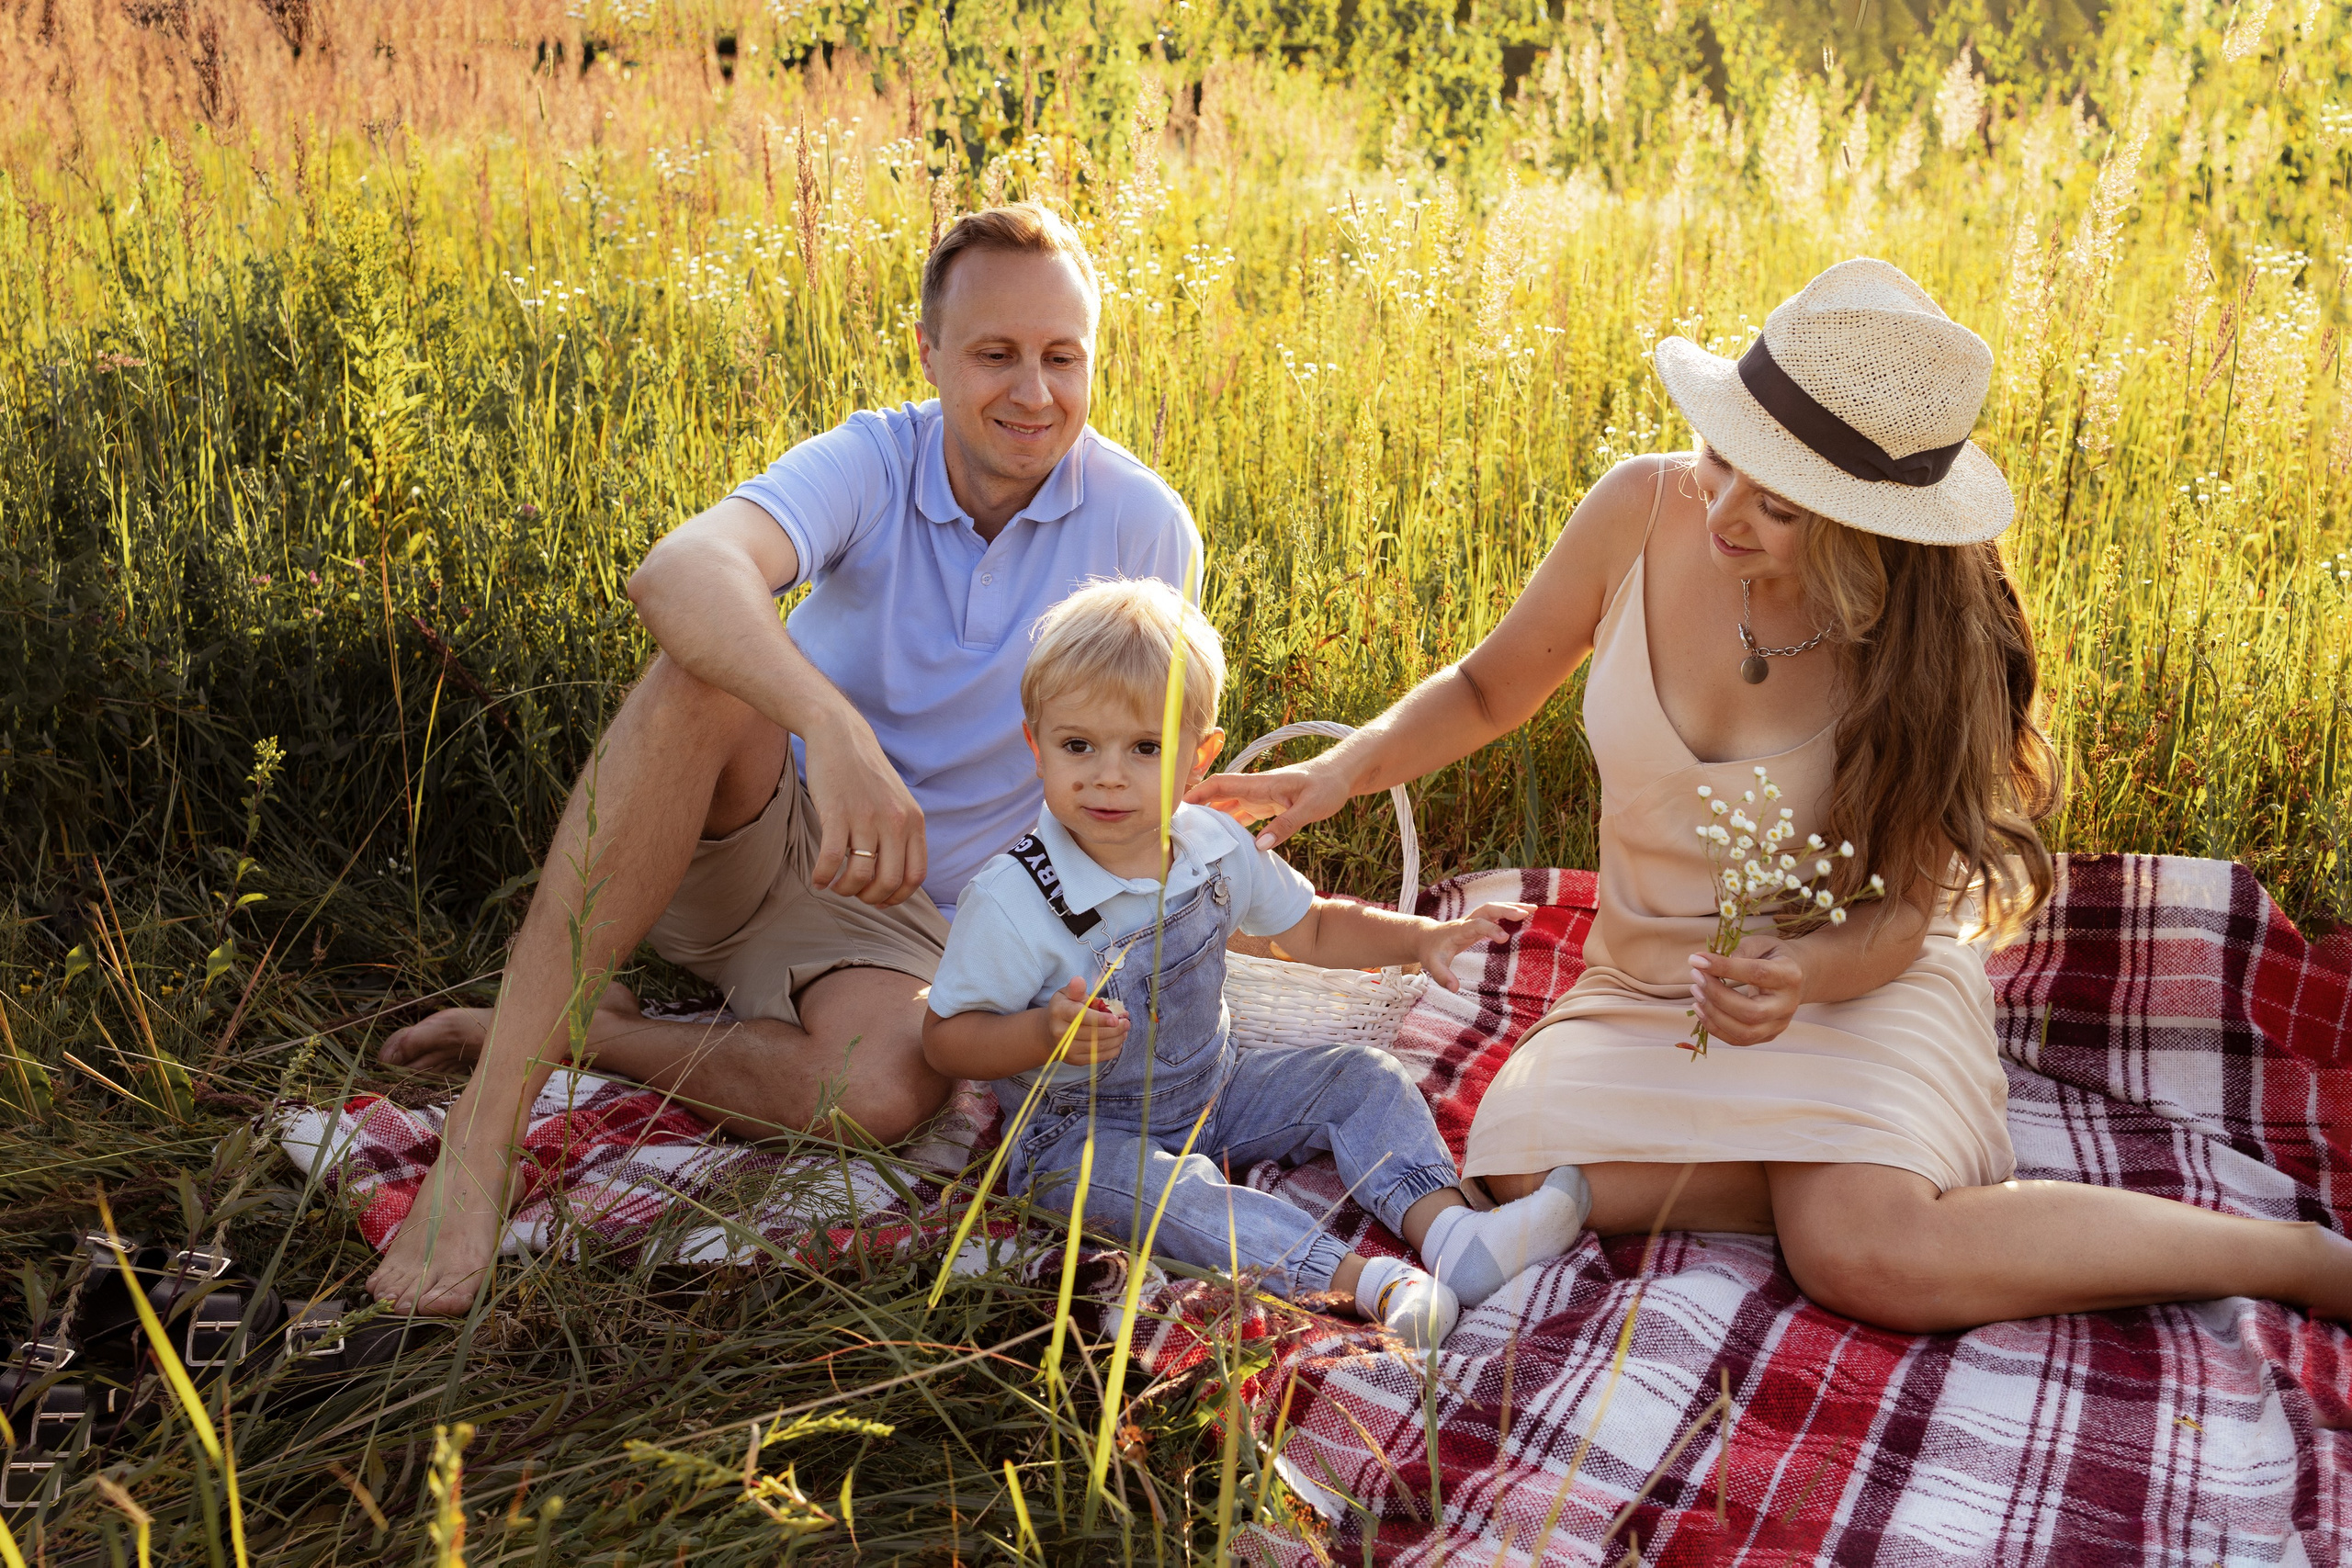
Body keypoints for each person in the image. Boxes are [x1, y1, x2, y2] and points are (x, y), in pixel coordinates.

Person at [1191, 258, 2352, 1333]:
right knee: (1513, 1171)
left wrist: (1798, 976)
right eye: (1719, 454)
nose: (1723, 510)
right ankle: (1833, 1173)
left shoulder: (1927, 639)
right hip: (1647, 980)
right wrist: (1343, 769)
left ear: (1866, 529)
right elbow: (1492, 684)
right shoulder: (1637, 511)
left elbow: (1900, 922)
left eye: (1779, 503)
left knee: (1861, 1260)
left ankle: (2283, 1260)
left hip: (1851, 985)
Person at [368, 204, 1202, 1314]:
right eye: (995, 354)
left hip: (912, 927)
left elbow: (1141, 752)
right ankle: (485, 1133)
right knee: (703, 666)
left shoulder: (1145, 527)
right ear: (930, 352)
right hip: (754, 838)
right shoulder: (872, 456)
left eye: (1062, 357)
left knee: (887, 1089)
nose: (1033, 393)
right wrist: (834, 729)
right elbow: (679, 572)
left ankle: (604, 1033)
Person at [922, 580, 1588, 1345]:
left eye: (1146, 748)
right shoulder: (1014, 898)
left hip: (1215, 1082)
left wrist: (1419, 938)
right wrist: (1041, 1034)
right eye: (1079, 745)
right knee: (1172, 1195)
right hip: (1076, 1132)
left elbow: (1309, 928)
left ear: (1200, 756)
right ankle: (1369, 1282)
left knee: (1363, 1075)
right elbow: (946, 1037)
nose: (1109, 774)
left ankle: (1451, 1233)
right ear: (1035, 744)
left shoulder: (1211, 845)